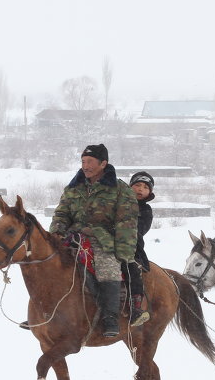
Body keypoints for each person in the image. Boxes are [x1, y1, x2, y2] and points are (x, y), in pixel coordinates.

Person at [47, 143, 139, 337]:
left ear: (103, 163)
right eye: (83, 161)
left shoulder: (120, 190)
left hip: (103, 240)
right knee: (49, 265)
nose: (85, 166)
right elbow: (62, 213)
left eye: (90, 161)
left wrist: (123, 254)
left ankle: (110, 317)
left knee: (108, 269)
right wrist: (55, 234)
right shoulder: (73, 188)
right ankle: (45, 311)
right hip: (72, 236)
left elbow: (127, 224)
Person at [125, 171, 156, 327]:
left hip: (132, 248)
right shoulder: (119, 203)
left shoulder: (146, 210)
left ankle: (136, 307)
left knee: (132, 268)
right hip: (107, 243)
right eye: (137, 185)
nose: (140, 189)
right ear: (130, 186)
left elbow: (141, 229)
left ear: (149, 192)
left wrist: (121, 229)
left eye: (145, 187)